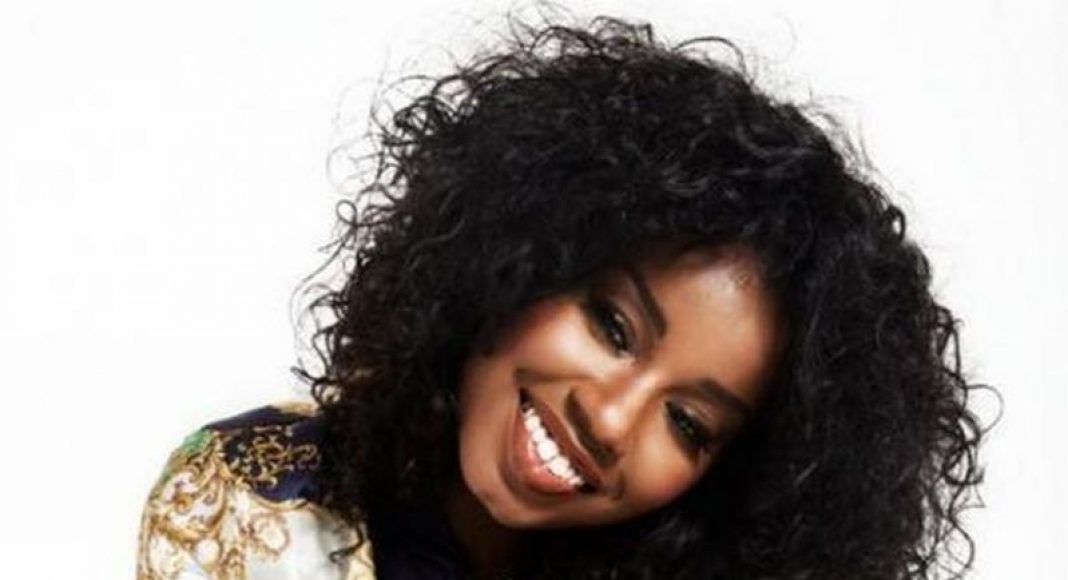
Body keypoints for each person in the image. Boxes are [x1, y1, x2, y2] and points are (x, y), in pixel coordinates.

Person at [136, 16, 987, 580]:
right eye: (612, 325)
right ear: (515, 256)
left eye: (688, 423)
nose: (611, 421)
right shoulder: (260, 503)